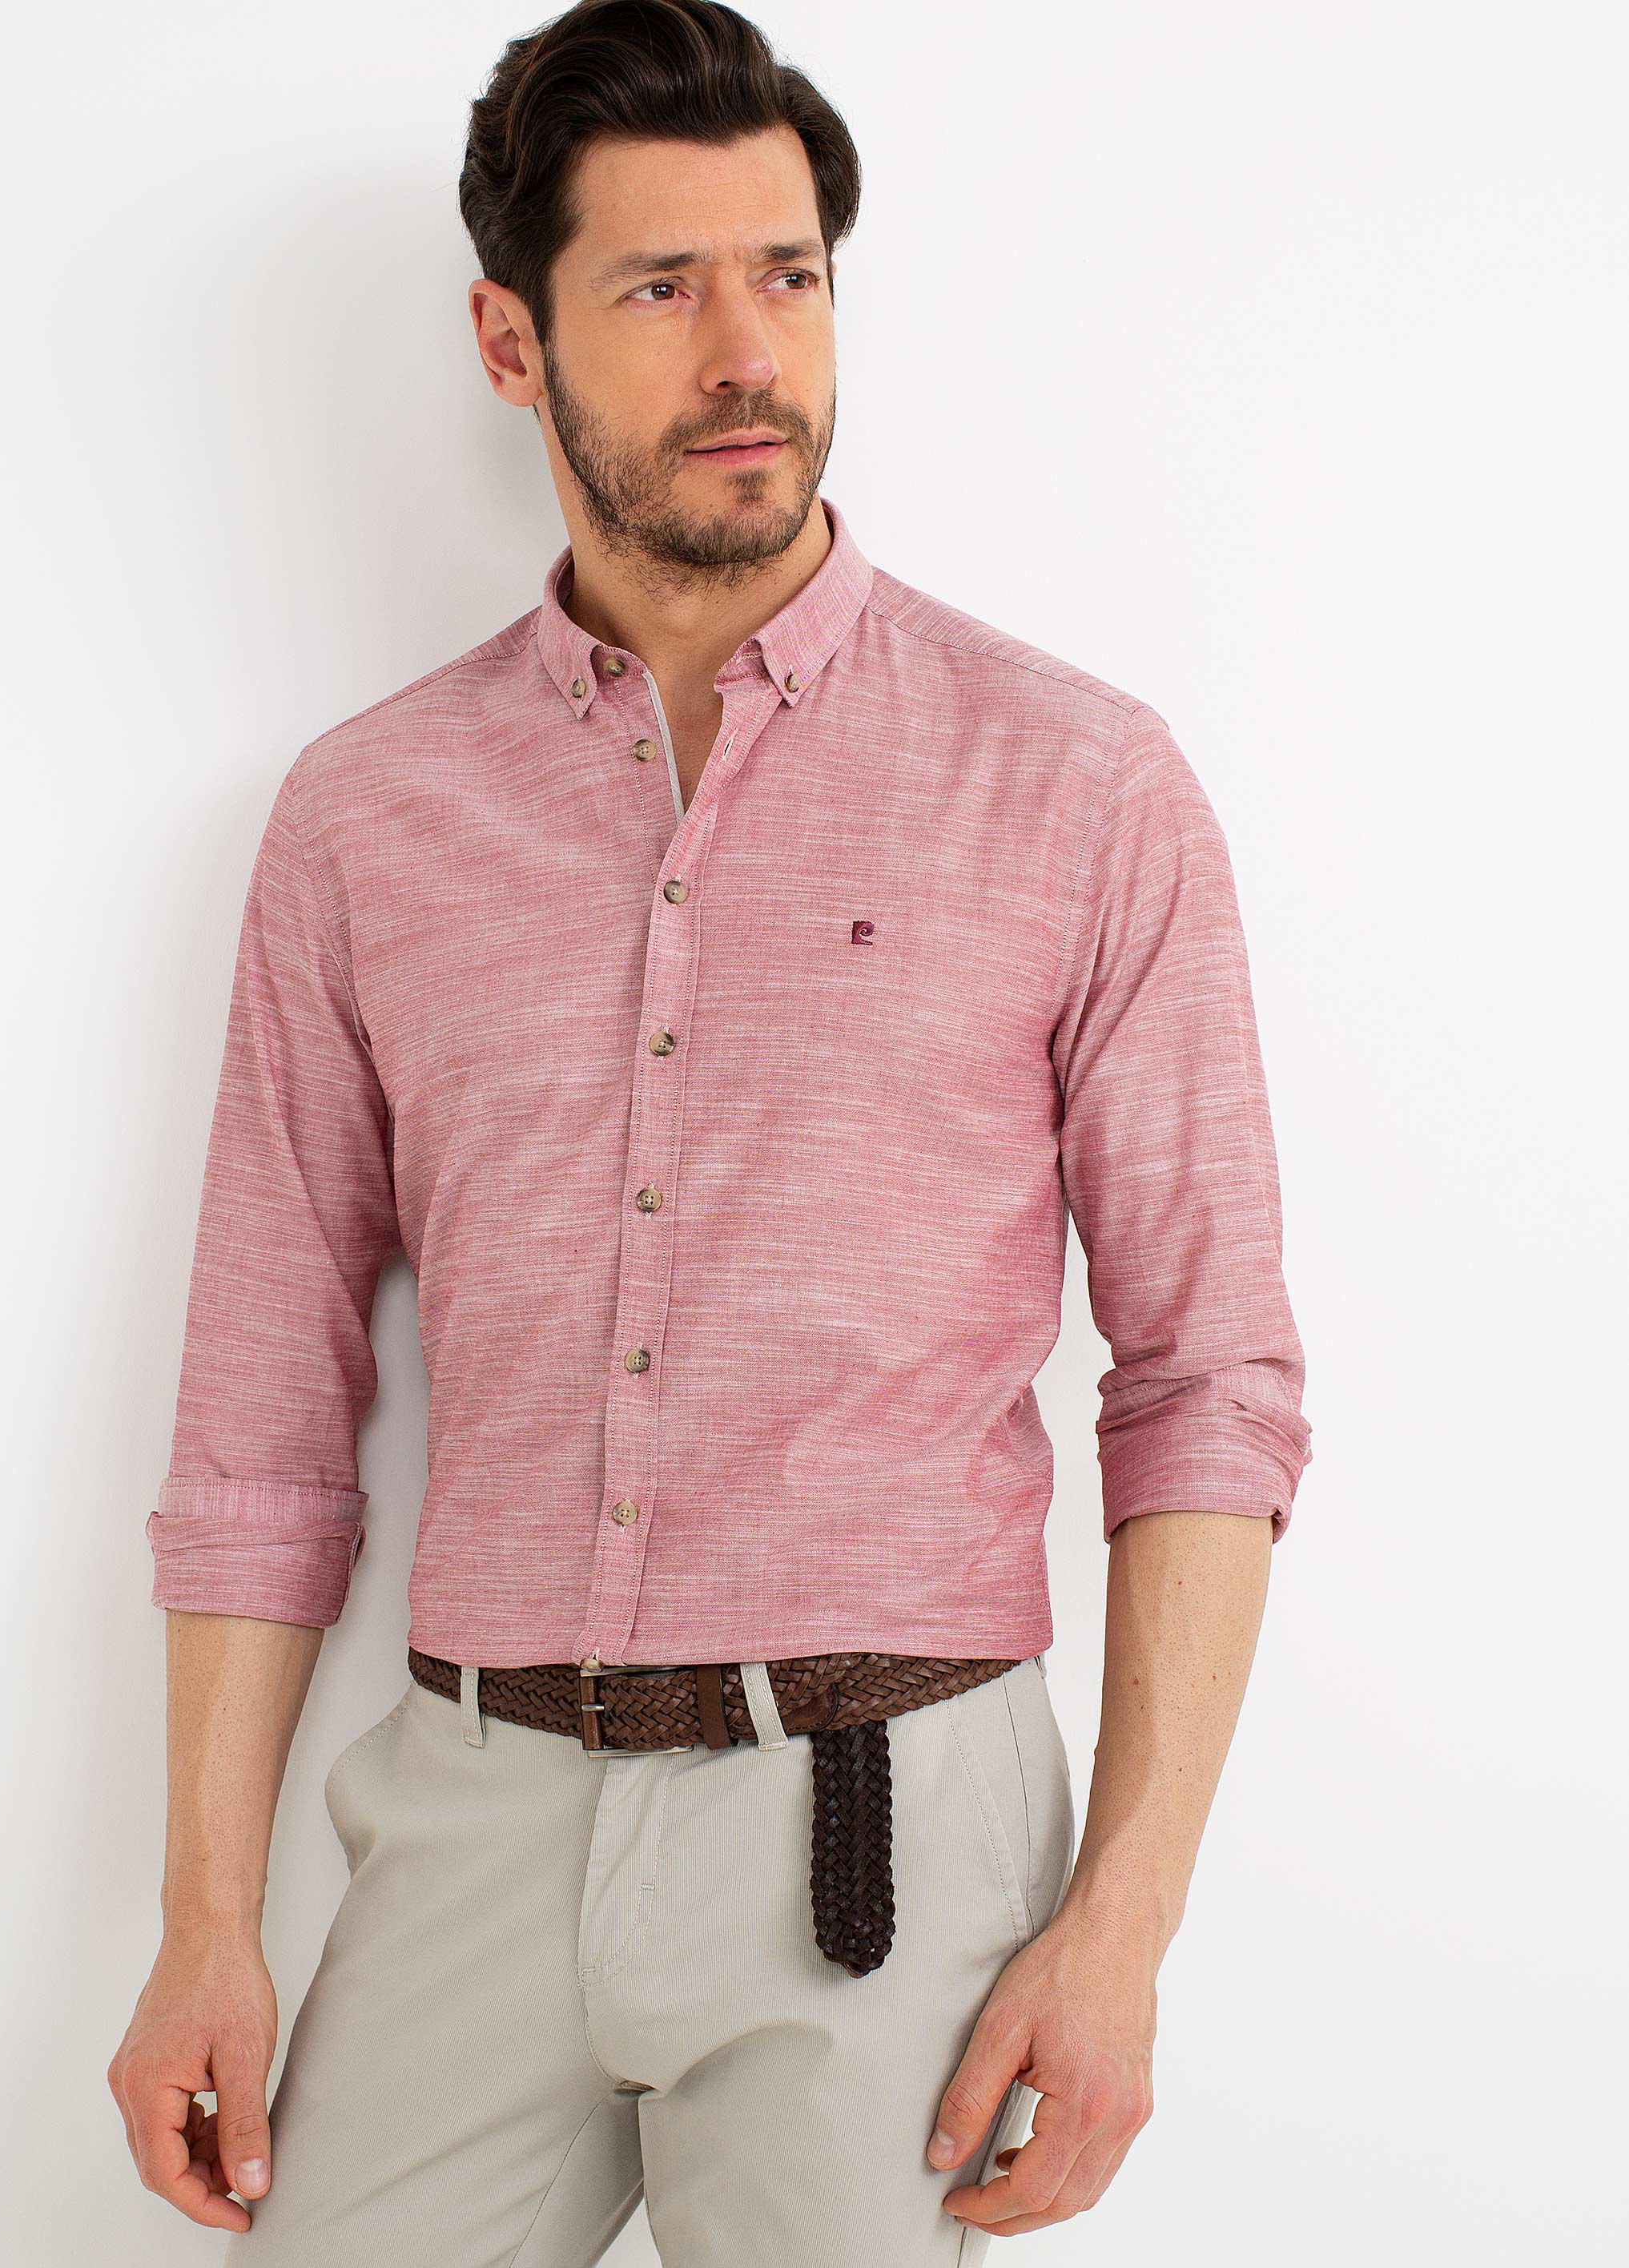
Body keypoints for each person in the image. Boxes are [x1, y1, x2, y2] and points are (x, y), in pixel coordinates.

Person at [107, 2, 1313, 2258]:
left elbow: (1210, 1384)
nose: (749, 354)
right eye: (662, 287)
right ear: (511, 339)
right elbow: (262, 1419)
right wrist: (204, 1919)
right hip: (467, 1819)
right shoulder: (365, 822)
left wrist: (1121, 1927)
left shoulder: (1077, 785)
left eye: (790, 275)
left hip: (886, 1842)